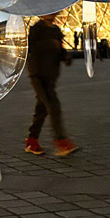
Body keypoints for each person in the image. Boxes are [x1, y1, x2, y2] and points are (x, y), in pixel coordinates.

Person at [25, 14, 78, 156]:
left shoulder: (56, 30)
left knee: (42, 109)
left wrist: (65, 56)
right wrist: (50, 44)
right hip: (38, 74)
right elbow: (30, 48)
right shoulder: (36, 28)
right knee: (53, 106)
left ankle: (32, 140)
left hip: (51, 75)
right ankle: (61, 141)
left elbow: (60, 49)